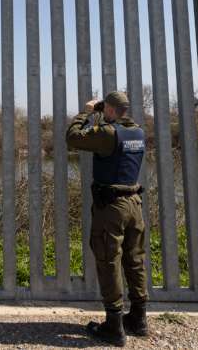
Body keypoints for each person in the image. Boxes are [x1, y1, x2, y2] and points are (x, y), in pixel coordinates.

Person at [66, 91, 147, 347]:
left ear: (110, 110)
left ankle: (114, 326)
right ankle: (138, 318)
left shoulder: (107, 133)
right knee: (134, 260)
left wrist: (87, 112)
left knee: (108, 259)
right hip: (134, 203)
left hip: (111, 207)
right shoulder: (137, 132)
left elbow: (73, 137)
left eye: (106, 109)